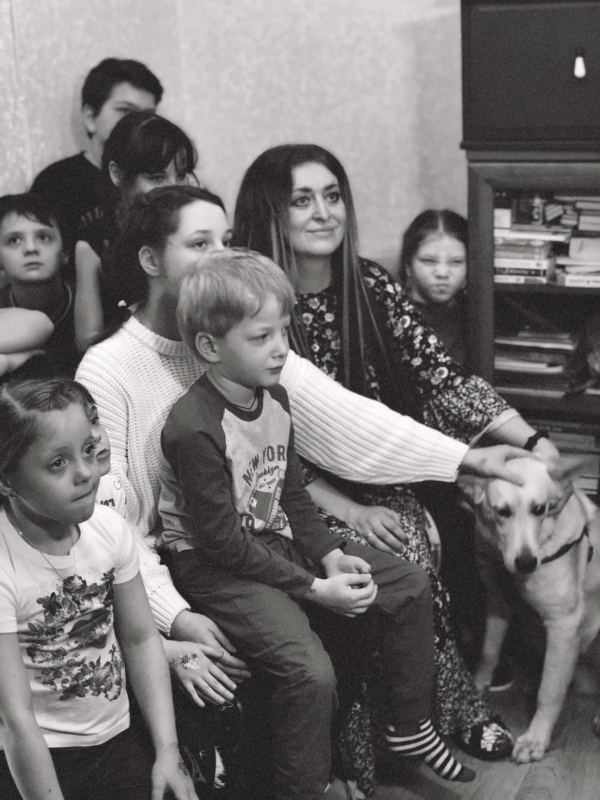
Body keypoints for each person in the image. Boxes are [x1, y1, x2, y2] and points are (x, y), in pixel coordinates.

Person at [231, 144, 561, 764]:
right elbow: (262, 442)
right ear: (269, 212)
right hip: (290, 489)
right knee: (394, 550)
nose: (324, 212)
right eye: (302, 200)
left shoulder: (369, 284)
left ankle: (432, 714)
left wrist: (533, 440)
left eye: (333, 196)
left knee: (417, 538)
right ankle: (370, 743)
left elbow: (443, 379)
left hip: (378, 469)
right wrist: (349, 510)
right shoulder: (251, 304)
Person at [161, 247, 478, 799]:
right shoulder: (194, 426)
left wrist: (330, 554)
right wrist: (314, 587)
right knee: (311, 672)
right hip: (215, 567)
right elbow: (222, 543)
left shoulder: (275, 399)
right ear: (210, 347)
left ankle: (409, 725)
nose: (282, 348)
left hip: (268, 541)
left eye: (284, 331)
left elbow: (290, 493)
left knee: (406, 583)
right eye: (262, 337)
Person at [0, 378, 197, 800]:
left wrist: (167, 751)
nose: (86, 473)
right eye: (58, 463)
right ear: (6, 481)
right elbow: (15, 718)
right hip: (32, 753)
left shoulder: (109, 529)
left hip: (116, 736)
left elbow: (141, 639)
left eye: (88, 450)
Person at [74, 110, 198, 350]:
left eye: (181, 175)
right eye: (157, 177)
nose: (173, 188)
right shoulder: (94, 242)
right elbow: (87, 341)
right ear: (117, 174)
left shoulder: (196, 227)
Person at [31, 58, 162, 271]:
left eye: (148, 115)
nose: (138, 123)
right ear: (90, 117)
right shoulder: (56, 182)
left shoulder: (160, 176)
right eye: (125, 111)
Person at [0, 193, 79, 380]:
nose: (30, 249)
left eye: (44, 237)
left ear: (65, 252)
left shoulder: (90, 302)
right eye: (14, 240)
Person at [398, 209, 468, 366]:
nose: (442, 273)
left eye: (456, 262)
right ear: (408, 266)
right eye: (429, 261)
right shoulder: (393, 317)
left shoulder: (476, 318)